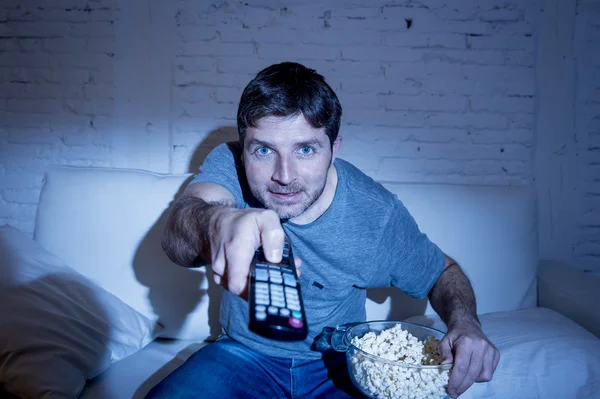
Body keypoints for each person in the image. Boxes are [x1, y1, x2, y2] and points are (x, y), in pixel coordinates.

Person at [148, 62, 500, 399]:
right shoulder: (229, 163)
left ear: (334, 149)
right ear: (244, 151)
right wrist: (215, 222)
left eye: (305, 149)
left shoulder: (375, 213)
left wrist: (466, 322)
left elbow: (442, 273)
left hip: (338, 365)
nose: (283, 175)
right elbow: (179, 233)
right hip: (242, 354)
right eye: (263, 151)